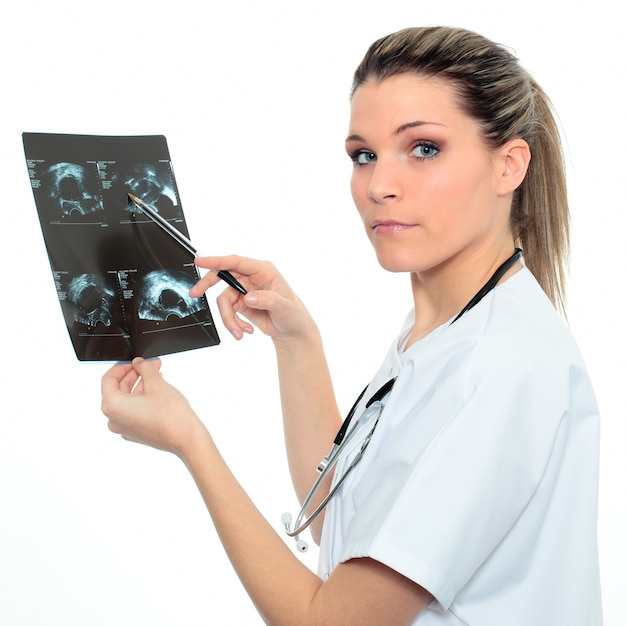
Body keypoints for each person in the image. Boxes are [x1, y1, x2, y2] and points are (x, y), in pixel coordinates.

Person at [101, 26, 602, 625]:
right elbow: (335, 511)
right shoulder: (446, 330)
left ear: (508, 165)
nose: (379, 186)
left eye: (423, 149)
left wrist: (190, 442)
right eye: (364, 154)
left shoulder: (502, 368)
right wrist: (296, 342)